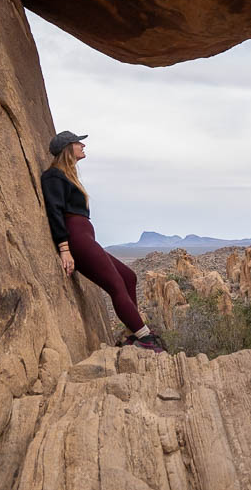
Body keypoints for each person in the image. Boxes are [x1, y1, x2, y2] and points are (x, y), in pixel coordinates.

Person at [41, 130, 165, 353]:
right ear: (68, 148)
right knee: (116, 285)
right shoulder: (53, 176)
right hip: (76, 239)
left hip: (85, 237)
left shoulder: (68, 176)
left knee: (129, 277)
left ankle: (131, 332)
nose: (83, 146)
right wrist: (64, 249)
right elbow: (54, 212)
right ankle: (145, 338)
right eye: (79, 143)